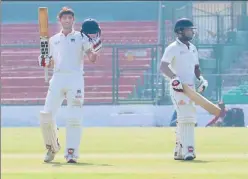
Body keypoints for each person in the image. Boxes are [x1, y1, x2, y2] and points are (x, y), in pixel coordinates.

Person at [38, 7, 102, 163]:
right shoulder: (52, 40)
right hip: (58, 78)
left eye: (70, 18)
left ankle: (71, 153)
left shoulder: (81, 37)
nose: (67, 20)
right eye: (64, 18)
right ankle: (52, 147)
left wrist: (97, 47)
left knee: (74, 118)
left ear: (73, 20)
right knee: (46, 115)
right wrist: (44, 61)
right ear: (59, 20)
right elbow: (46, 60)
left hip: (75, 79)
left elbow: (92, 59)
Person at [160, 18, 208, 160]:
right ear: (180, 31)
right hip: (178, 88)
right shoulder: (173, 47)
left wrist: (201, 79)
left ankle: (179, 151)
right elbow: (163, 67)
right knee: (187, 117)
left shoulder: (193, 48)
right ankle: (189, 150)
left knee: (188, 117)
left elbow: (196, 68)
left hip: (191, 88)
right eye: (188, 29)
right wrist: (174, 78)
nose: (191, 32)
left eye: (192, 29)